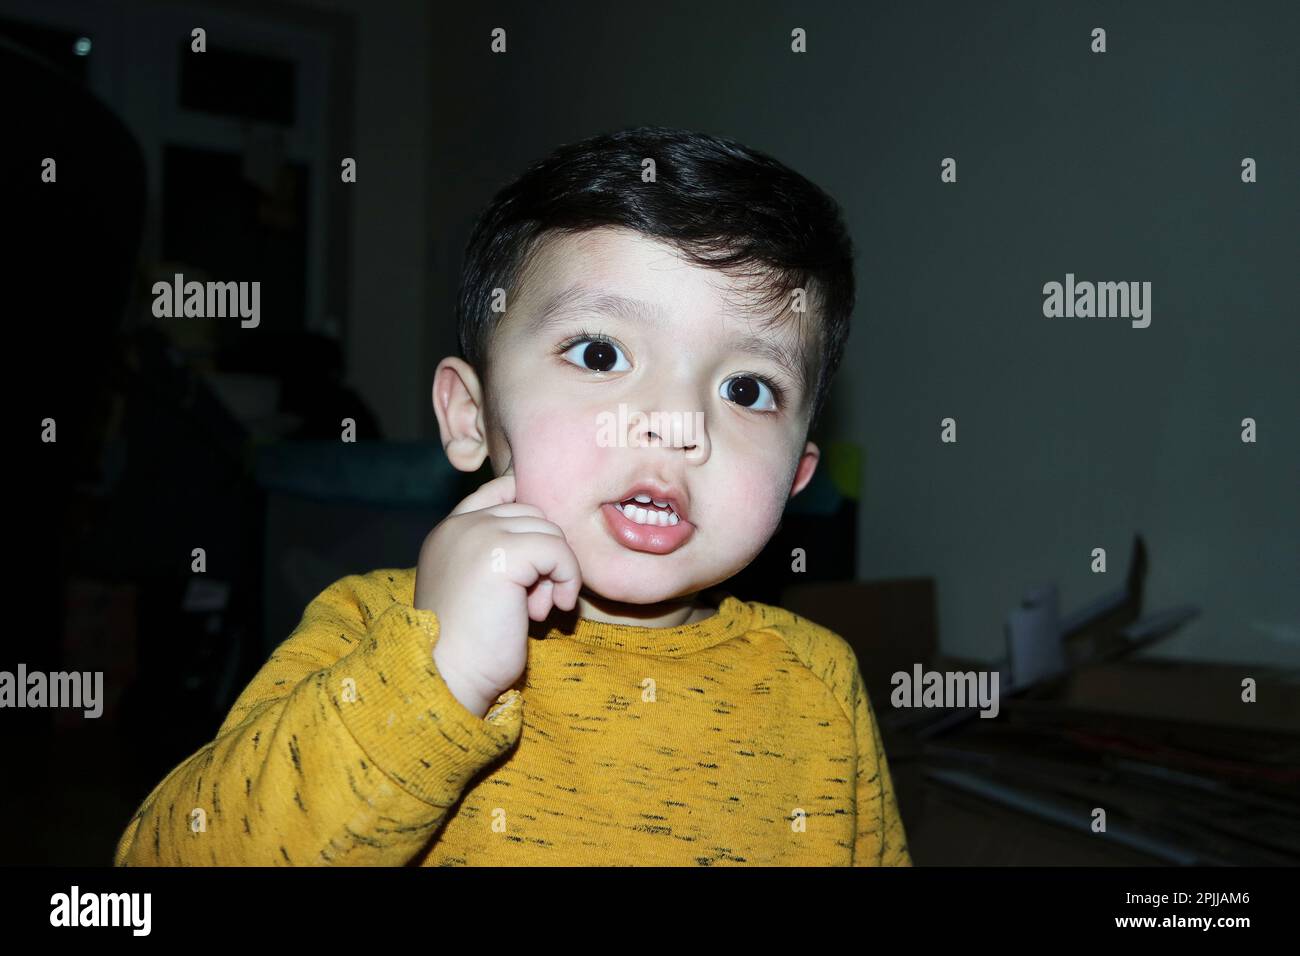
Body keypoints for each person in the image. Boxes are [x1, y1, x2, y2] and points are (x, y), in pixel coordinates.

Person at [114, 126, 911, 866]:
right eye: (600, 353)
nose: (676, 425)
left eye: (747, 387)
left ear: (798, 477)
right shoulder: (377, 634)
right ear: (471, 415)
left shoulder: (820, 684)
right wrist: (439, 674)